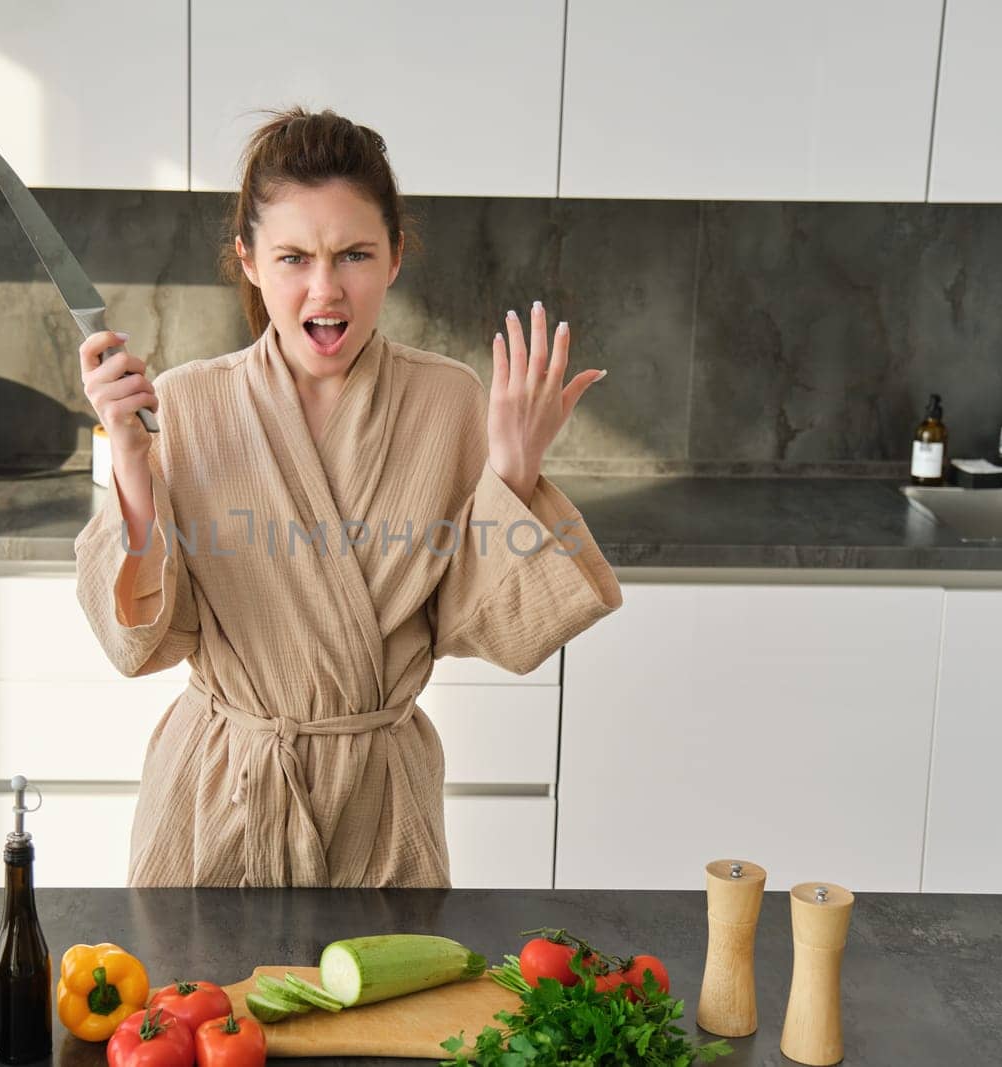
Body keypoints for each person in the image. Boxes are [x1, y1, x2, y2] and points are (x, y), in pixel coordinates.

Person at [73, 107, 622, 888]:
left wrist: (514, 473)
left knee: (388, 1013)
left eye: (355, 254)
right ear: (250, 261)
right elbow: (140, 639)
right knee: (200, 1010)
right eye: (293, 256)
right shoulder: (187, 405)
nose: (325, 289)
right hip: (220, 798)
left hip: (381, 807)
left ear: (396, 257)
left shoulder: (446, 401)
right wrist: (132, 468)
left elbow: (489, 624)